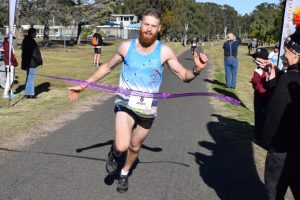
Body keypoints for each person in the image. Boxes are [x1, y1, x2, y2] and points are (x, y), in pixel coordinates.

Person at [68, 8, 208, 193]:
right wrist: (83, 85)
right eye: (146, 24)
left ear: (159, 28)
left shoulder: (164, 52)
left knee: (134, 147)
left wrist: (196, 70)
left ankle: (124, 173)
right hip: (125, 104)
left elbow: (184, 75)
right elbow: (106, 67)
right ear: (140, 24)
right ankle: (115, 153)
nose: (149, 29)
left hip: (147, 110)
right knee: (122, 144)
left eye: (153, 26)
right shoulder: (126, 47)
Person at [262, 30, 300, 200]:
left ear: (296, 54)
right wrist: (272, 80)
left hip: (282, 149)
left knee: (274, 192)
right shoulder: (288, 77)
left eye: (287, 50)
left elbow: (274, 112)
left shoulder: (288, 79)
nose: (284, 53)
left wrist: (268, 140)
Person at [250, 48, 271, 141]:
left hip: (260, 95)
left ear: (263, 58)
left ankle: (258, 136)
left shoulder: (259, 69)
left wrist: (256, 85)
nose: (255, 60)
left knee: (259, 116)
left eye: (257, 58)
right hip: (267, 95)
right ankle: (263, 135)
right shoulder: (270, 66)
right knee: (265, 116)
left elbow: (255, 81)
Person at [21, 28, 43, 99]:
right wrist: (39, 61)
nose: (36, 34)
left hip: (28, 62)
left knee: (29, 77)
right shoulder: (30, 41)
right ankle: (30, 94)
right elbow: (34, 53)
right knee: (31, 78)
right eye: (35, 33)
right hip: (31, 63)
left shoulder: (26, 40)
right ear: (32, 33)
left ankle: (28, 93)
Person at [2, 34, 18, 99]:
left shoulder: (8, 44)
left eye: (13, 38)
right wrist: (15, 62)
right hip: (10, 63)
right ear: (7, 38)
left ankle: (10, 93)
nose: (12, 39)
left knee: (11, 78)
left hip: (10, 63)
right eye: (11, 38)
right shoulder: (7, 45)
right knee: (10, 79)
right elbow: (10, 56)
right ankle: (5, 94)